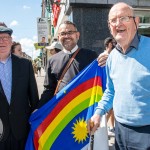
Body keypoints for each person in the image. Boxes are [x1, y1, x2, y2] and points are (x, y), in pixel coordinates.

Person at [88, 2, 150, 150]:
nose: (118, 23)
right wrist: (98, 113)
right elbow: (111, 91)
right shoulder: (112, 57)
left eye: (124, 18)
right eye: (113, 20)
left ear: (136, 22)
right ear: (110, 27)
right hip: (120, 130)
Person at [38, 20, 98, 107]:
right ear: (58, 38)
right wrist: (38, 108)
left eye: (70, 32)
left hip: (84, 108)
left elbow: (98, 82)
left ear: (77, 35)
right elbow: (49, 89)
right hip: (62, 111)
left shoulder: (91, 56)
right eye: (63, 34)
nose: (66, 36)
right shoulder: (52, 60)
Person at [0, 22, 39, 150]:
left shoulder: (25, 64)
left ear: (11, 42)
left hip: (22, 128)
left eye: (5, 38)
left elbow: (33, 98)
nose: (2, 41)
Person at [103, 37, 116, 136]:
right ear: (109, 45)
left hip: (113, 87)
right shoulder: (103, 56)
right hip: (106, 87)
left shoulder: (115, 55)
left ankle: (111, 127)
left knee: (112, 109)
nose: (115, 45)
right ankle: (102, 127)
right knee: (109, 109)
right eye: (113, 44)